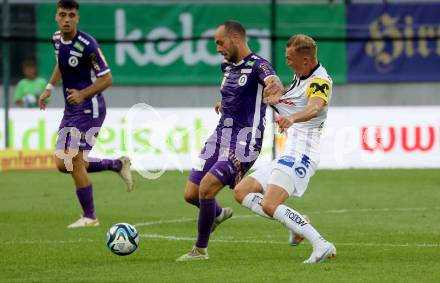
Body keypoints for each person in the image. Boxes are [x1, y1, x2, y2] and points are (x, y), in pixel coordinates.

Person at [176, 20, 283, 261]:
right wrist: (224, 104)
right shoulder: (226, 67)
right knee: (191, 194)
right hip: (219, 136)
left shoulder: (259, 65)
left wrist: (275, 88)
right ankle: (217, 214)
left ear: (235, 39)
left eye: (220, 42)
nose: (218, 48)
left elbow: (273, 81)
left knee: (206, 188)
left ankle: (200, 250)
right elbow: (235, 94)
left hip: (244, 142)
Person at [233, 34, 336, 264]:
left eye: (291, 58)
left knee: (270, 204)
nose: (287, 61)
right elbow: (290, 101)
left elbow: (314, 108)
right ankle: (296, 224)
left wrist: (292, 119)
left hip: (303, 156)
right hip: (289, 155)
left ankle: (321, 245)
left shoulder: (320, 81)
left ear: (306, 60)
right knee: (241, 191)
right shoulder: (300, 77)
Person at [38, 0, 134, 228]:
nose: (67, 19)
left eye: (71, 15)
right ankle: (117, 165)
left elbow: (107, 78)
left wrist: (82, 94)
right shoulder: (56, 40)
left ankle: (90, 216)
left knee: (71, 160)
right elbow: (61, 64)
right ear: (56, 17)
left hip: (90, 109)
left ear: (77, 18)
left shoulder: (87, 44)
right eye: (63, 14)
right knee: (64, 164)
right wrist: (49, 88)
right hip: (71, 108)